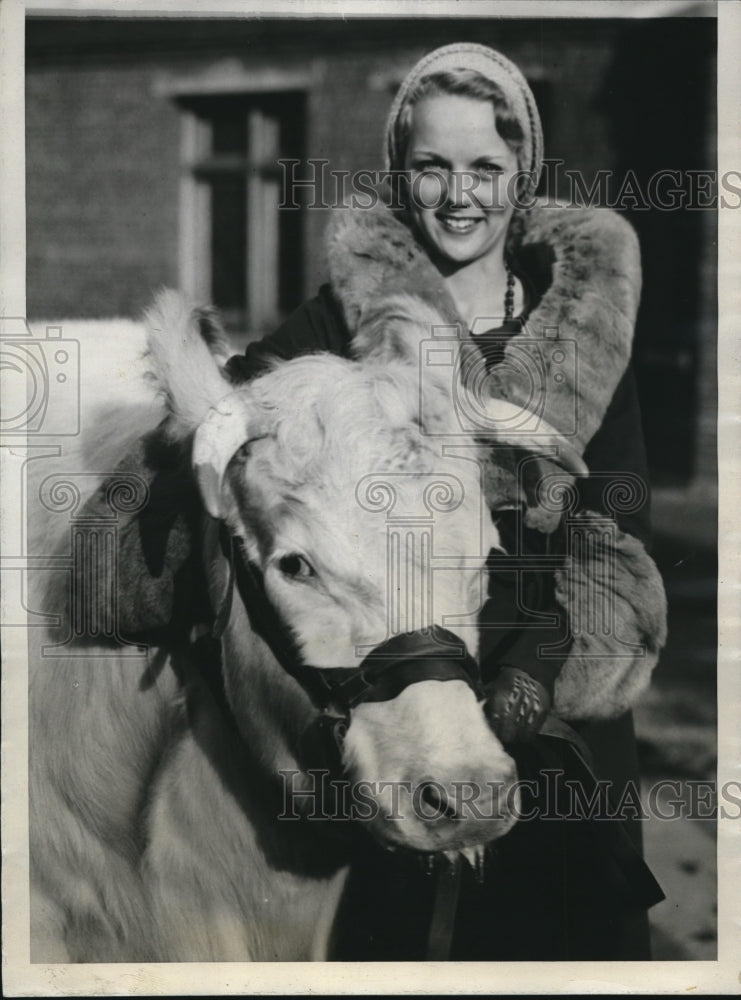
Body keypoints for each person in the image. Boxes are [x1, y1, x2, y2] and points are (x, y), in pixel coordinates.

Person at [221, 42, 668, 961]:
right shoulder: (335, 328)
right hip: (405, 698)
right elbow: (235, 435)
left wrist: (531, 671)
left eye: (484, 167)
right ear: (401, 173)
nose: (458, 195)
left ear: (521, 172)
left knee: (573, 954)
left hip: (556, 713)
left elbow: (615, 527)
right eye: (431, 167)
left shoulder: (590, 331)